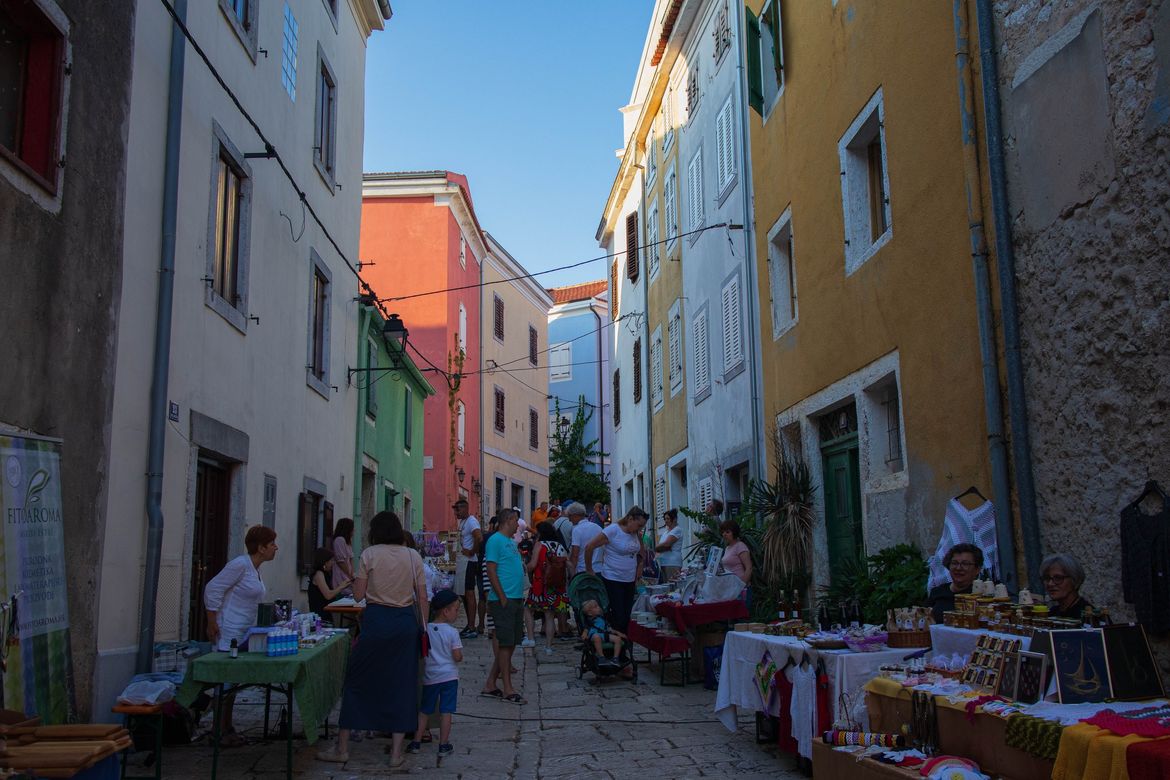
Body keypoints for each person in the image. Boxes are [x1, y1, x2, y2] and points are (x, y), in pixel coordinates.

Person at [318, 511, 428, 768]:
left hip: (377, 621)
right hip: (404, 623)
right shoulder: (413, 556)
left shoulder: (369, 555)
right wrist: (423, 629)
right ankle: (396, 753)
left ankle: (342, 747)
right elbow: (422, 597)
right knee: (402, 684)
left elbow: (358, 595)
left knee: (357, 681)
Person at [203, 525, 278, 744]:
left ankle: (228, 728)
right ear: (261, 547)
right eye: (272, 543)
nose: (276, 548)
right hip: (229, 629)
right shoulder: (240, 565)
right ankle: (218, 730)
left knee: (233, 683)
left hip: (243, 631)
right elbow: (213, 589)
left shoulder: (255, 569)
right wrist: (211, 621)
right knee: (224, 682)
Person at [407, 589, 463, 758]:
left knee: (425, 710)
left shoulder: (427, 630)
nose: (457, 613)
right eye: (456, 610)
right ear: (446, 611)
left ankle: (416, 741)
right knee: (446, 711)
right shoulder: (452, 633)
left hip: (431, 677)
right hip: (449, 677)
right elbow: (457, 656)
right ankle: (444, 744)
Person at [584, 506, 648, 648]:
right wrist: (590, 569)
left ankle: (623, 647)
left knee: (626, 615)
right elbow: (589, 547)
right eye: (639, 525)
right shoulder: (613, 530)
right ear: (630, 519)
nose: (640, 528)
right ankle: (619, 650)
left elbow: (641, 552)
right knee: (618, 615)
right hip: (613, 578)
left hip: (629, 579)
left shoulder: (636, 533)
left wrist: (639, 567)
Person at [483, 508, 527, 704]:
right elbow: (490, 569)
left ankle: (491, 683)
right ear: (508, 520)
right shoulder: (495, 540)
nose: (518, 525)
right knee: (505, 643)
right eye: (516, 521)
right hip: (505, 599)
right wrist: (501, 596)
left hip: (515, 597)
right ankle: (508, 689)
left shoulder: (510, 542)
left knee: (510, 644)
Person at [524, 522, 571, 653]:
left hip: (541, 585)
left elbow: (533, 565)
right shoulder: (560, 546)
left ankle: (531, 638)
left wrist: (523, 569)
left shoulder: (540, 545)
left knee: (528, 609)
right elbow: (567, 564)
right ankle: (549, 647)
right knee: (550, 616)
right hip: (557, 586)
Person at [927, 543, 983, 624]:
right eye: (954, 563)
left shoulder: (982, 596)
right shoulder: (937, 592)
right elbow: (925, 617)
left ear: (977, 569)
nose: (958, 568)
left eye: (965, 564)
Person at [452, 499, 483, 639]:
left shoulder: (471, 521)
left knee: (469, 593)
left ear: (465, 508)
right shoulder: (463, 522)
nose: (456, 512)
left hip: (469, 562)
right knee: (464, 593)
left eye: (458, 509)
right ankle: (469, 625)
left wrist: (472, 551)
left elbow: (479, 537)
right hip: (462, 561)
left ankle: (472, 626)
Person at [1042, 554, 1093, 619]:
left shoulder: (1088, 616)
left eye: (1058, 578)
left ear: (1075, 580)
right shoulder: (1052, 613)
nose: (1050, 584)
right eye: (1047, 578)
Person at [580, 599, 625, 666]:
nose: (599, 607)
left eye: (598, 605)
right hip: (594, 635)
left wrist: (618, 633)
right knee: (596, 637)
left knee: (618, 639)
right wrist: (584, 634)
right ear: (590, 613)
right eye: (595, 607)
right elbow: (586, 629)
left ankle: (615, 658)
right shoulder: (589, 620)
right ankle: (601, 657)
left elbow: (609, 628)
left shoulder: (602, 618)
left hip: (604, 634)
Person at [309, 547, 352, 617]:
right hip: (320, 615)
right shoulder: (319, 574)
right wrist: (341, 586)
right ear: (325, 562)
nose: (333, 563)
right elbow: (328, 595)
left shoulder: (326, 574)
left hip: (325, 612)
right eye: (331, 560)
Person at [569, 502, 604, 579]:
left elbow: (575, 554)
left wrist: (572, 574)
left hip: (583, 571)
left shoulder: (577, 530)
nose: (569, 520)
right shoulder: (598, 527)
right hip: (599, 570)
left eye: (569, 516)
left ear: (575, 515)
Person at [655, 508, 684, 582]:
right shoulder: (666, 532)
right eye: (665, 519)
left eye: (668, 518)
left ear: (674, 519)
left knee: (672, 586)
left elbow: (667, 544)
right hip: (664, 563)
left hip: (672, 563)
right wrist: (661, 547)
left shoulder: (677, 530)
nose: (666, 521)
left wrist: (656, 548)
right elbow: (663, 546)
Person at [331, 517, 355, 591]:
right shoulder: (339, 540)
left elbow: (351, 559)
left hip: (348, 576)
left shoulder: (348, 542)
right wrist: (349, 575)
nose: (354, 530)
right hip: (342, 575)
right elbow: (341, 561)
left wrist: (352, 574)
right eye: (352, 528)